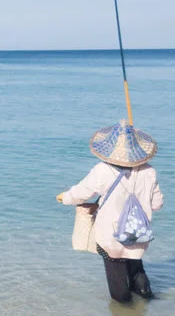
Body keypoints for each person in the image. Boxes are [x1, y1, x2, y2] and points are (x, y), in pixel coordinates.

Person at [57, 120, 164, 303]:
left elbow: (80, 193)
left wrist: (65, 197)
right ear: (138, 150)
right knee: (135, 265)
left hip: (111, 236)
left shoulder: (102, 170)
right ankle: (147, 301)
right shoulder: (149, 172)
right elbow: (157, 204)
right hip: (138, 233)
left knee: (118, 286)